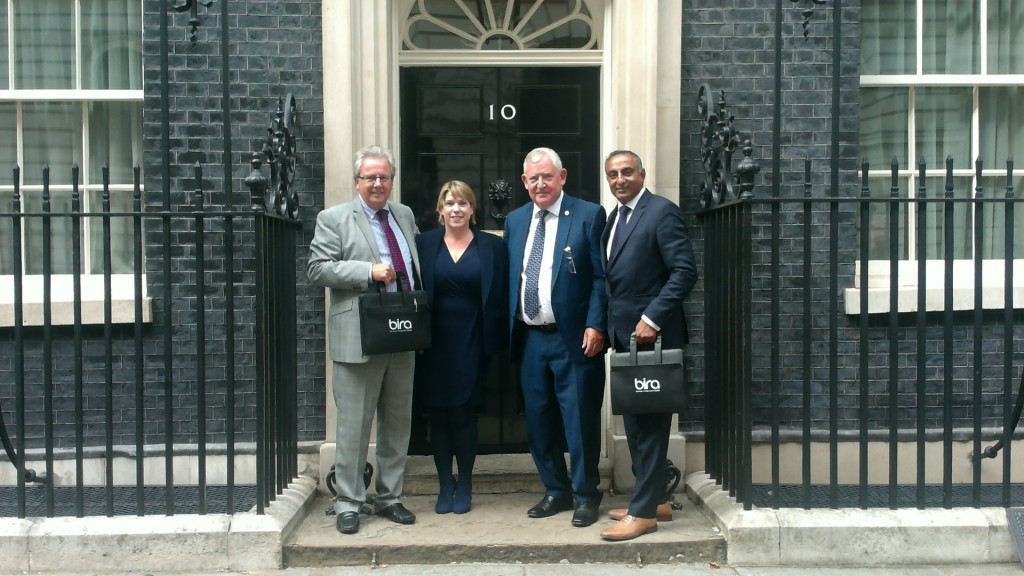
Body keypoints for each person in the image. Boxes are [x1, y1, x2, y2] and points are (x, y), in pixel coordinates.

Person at [306, 145, 421, 535]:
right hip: (358, 336)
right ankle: (349, 502)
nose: (377, 183)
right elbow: (317, 268)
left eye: (383, 177)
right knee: (354, 424)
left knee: (397, 421)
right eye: (370, 177)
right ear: (357, 181)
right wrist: (367, 270)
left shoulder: (403, 215)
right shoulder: (334, 218)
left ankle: (390, 497)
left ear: (391, 181)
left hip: (402, 333)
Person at [504, 147, 608, 528]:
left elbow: (600, 277)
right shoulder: (515, 221)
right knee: (539, 420)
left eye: (547, 176)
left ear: (562, 177)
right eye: (533, 178)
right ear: (524, 182)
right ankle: (556, 490)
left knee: (579, 420)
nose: (540, 184)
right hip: (530, 338)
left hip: (574, 339)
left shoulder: (588, 214)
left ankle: (585, 493)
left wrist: (596, 325)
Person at [598, 150, 698, 541]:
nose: (619, 179)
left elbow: (684, 270)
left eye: (626, 172)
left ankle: (643, 514)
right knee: (637, 426)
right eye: (612, 174)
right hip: (625, 340)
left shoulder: (660, 211)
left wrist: (652, 319)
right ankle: (654, 499)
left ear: (642, 173)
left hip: (652, 337)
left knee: (652, 427)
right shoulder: (614, 218)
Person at [415, 181, 509, 515]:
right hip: (433, 342)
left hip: (473, 338)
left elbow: (504, 293)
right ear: (440, 209)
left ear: (472, 209)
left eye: (463, 203)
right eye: (449, 203)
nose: (456, 209)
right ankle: (445, 484)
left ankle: (466, 482)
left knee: (464, 412)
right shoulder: (423, 244)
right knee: (438, 414)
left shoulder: (492, 246)